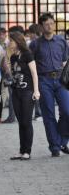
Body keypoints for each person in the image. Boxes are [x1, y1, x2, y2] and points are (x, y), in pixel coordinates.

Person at [30, 13, 69, 157]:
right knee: (49, 115)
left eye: (52, 23)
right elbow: (31, 65)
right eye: (47, 24)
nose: (50, 26)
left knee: (67, 111)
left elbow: (65, 63)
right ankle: (54, 146)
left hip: (61, 80)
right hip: (44, 81)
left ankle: (62, 141)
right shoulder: (35, 44)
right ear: (41, 26)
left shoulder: (61, 41)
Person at [7, 32, 40, 160]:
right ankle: (21, 151)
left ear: (17, 41)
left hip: (28, 91)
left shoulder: (28, 54)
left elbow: (34, 73)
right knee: (21, 122)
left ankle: (27, 151)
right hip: (16, 91)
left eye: (11, 41)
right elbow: (14, 73)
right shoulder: (13, 57)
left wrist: (36, 91)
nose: (9, 43)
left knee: (26, 121)